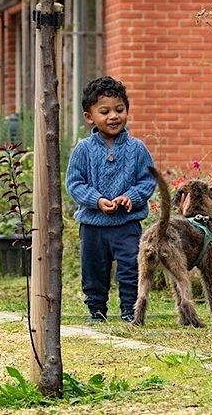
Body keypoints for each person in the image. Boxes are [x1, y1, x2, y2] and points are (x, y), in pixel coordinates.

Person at [66, 76, 155, 323]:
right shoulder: (83, 149)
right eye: (104, 112)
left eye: (120, 110)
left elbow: (148, 180)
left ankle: (130, 310)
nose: (113, 116)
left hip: (127, 225)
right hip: (93, 226)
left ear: (127, 110)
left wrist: (131, 197)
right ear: (89, 116)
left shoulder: (137, 148)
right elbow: (74, 183)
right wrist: (96, 200)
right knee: (94, 271)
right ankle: (96, 310)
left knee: (130, 268)